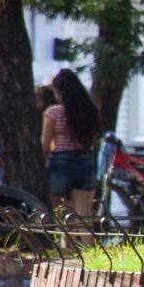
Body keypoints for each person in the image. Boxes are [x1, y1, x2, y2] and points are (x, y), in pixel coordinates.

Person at [41, 69, 101, 219]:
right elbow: (94, 140)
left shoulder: (53, 113)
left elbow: (45, 145)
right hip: (85, 162)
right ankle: (87, 243)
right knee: (84, 216)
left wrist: (43, 165)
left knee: (61, 216)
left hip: (60, 163)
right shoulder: (89, 111)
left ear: (58, 91)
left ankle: (64, 243)